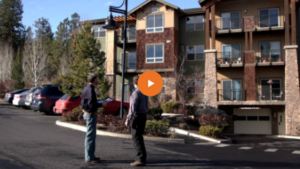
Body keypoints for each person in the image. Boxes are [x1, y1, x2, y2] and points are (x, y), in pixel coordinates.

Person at [81, 73, 107, 164]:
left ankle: (91, 156)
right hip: (91, 114)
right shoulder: (91, 90)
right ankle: (88, 158)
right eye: (98, 79)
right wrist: (101, 104)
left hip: (88, 113)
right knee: (90, 136)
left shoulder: (86, 88)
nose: (98, 80)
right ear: (94, 80)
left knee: (91, 136)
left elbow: (84, 102)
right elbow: (91, 104)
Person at [125, 75, 148, 167]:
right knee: (139, 137)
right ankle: (142, 156)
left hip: (137, 117)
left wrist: (128, 119)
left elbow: (132, 108)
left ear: (134, 83)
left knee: (136, 138)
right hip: (143, 116)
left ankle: (141, 159)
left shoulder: (136, 93)